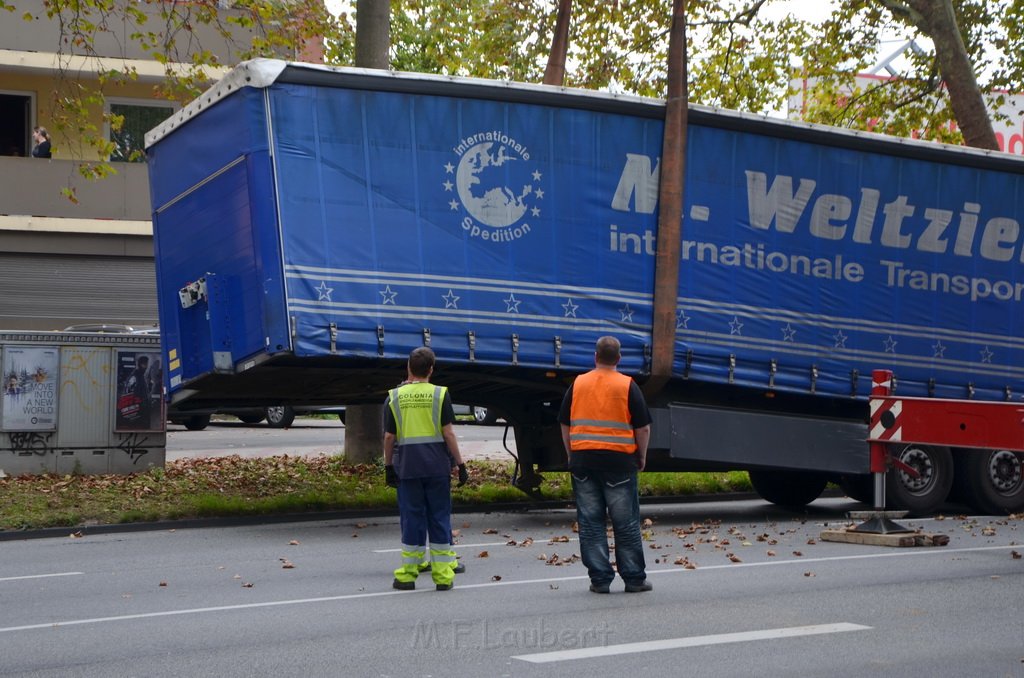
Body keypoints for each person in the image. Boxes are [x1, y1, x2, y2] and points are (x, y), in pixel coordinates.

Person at [559, 335, 653, 594]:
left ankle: (600, 580)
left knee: (590, 523)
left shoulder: (578, 384)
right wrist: (641, 456)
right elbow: (643, 428)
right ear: (619, 359)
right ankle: (634, 579)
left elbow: (565, 423)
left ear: (595, 356)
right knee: (626, 523)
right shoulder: (627, 385)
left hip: (583, 462)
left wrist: (571, 453)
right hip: (619, 463)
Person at [383, 347, 469, 591]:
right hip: (437, 467)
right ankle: (443, 576)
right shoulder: (440, 395)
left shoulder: (395, 396)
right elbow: (448, 433)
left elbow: (389, 437)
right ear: (431, 369)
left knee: (412, 519)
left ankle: (408, 575)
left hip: (408, 467)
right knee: (439, 517)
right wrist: (460, 464)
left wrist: (389, 466)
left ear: (408, 368)